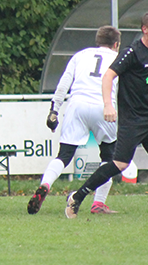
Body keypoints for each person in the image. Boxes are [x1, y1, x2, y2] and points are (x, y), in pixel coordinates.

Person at [65, 10, 148, 219]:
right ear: (144, 29)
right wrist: (108, 105)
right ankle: (78, 196)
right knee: (120, 164)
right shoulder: (132, 52)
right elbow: (108, 76)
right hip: (134, 120)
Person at [27, 26, 121, 215]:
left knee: (64, 155)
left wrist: (54, 110)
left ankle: (45, 184)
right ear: (116, 44)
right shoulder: (118, 59)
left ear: (98, 40)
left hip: (76, 105)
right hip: (104, 106)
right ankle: (98, 203)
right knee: (109, 157)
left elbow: (64, 83)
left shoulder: (81, 55)